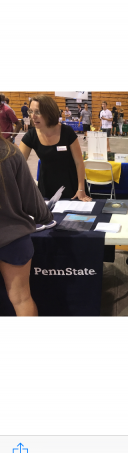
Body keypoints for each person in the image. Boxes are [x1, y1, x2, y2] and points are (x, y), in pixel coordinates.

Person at [0, 131, 53, 316]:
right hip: (14, 239)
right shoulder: (10, 153)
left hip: (13, 238)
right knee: (21, 298)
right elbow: (32, 200)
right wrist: (46, 217)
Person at [19, 95, 91, 201]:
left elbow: (79, 162)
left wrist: (81, 189)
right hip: (47, 188)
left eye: (37, 112)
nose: (32, 116)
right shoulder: (31, 135)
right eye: (31, 111)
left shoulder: (67, 132)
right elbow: (18, 165)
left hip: (72, 186)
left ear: (49, 113)